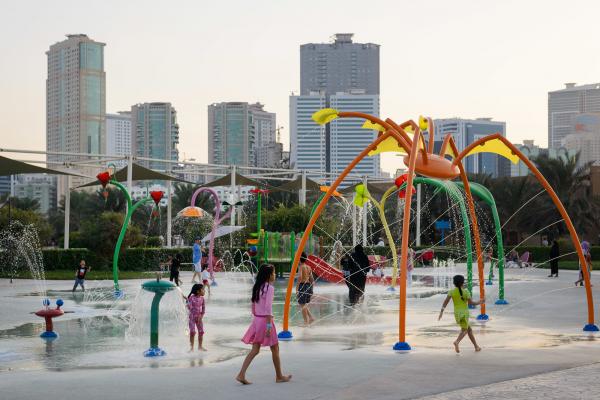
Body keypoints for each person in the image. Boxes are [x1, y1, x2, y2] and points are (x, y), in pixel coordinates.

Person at [237, 264, 291, 385]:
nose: (275, 275)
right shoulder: (269, 288)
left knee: (255, 350)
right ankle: (279, 376)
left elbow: (253, 306)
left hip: (257, 320)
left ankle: (241, 374)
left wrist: (257, 320)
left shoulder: (257, 287)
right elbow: (268, 308)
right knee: (275, 348)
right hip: (265, 321)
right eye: (273, 273)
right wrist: (268, 326)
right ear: (268, 275)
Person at [438, 274, 485, 353]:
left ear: (454, 283)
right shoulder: (466, 292)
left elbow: (445, 302)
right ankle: (457, 342)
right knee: (465, 330)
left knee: (469, 329)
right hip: (464, 313)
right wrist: (480, 302)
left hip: (457, 313)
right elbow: (471, 303)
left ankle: (476, 346)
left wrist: (441, 311)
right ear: (463, 282)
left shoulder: (451, 292)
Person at [296, 252, 315, 326]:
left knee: (302, 304)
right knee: (303, 304)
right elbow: (312, 280)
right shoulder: (308, 267)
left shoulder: (301, 267)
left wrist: (297, 288)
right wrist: (311, 289)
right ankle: (311, 318)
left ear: (299, 259)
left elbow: (300, 277)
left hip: (303, 286)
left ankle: (306, 322)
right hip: (308, 286)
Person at [187, 283, 206, 351]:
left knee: (201, 332)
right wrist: (188, 302)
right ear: (198, 291)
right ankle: (191, 348)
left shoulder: (202, 298)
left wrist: (201, 316)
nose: (204, 291)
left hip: (199, 318)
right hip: (192, 318)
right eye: (203, 289)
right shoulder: (191, 298)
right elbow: (189, 307)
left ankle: (200, 347)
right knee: (192, 332)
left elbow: (203, 308)